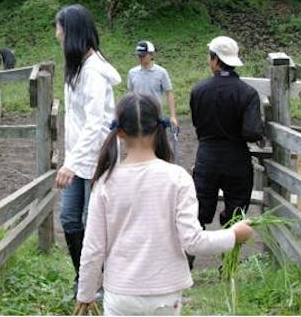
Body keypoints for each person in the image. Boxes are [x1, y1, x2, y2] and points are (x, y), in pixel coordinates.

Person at [76, 92, 253, 315]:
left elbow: (93, 249)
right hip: (166, 295)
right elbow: (194, 242)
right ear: (160, 128)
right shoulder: (177, 178)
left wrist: (86, 293)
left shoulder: (105, 183)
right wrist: (234, 234)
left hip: (121, 295)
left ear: (119, 132)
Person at [53, 4, 121, 297]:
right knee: (69, 218)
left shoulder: (93, 72)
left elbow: (95, 124)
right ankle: (84, 277)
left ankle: (99, 282)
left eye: (59, 28)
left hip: (96, 159)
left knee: (89, 221)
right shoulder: (78, 67)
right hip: (78, 159)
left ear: (71, 32)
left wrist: (71, 163)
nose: (56, 34)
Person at [190, 36, 264, 232]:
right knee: (235, 217)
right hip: (236, 159)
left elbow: (197, 124)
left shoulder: (198, 91)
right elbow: (252, 132)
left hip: (207, 157)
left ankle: (189, 259)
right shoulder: (248, 93)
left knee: (198, 215)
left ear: (215, 59)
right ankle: (229, 261)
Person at [127, 40, 178, 129]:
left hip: (156, 116)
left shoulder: (161, 72)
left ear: (151, 55)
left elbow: (169, 93)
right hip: (138, 116)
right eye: (139, 55)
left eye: (143, 55)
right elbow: (130, 94)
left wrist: (173, 116)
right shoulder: (132, 73)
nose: (140, 58)